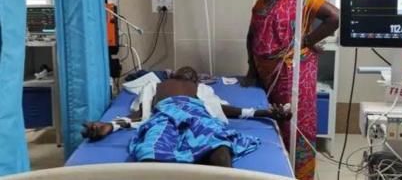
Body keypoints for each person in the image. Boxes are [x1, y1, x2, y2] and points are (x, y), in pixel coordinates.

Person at [241, 0, 339, 180]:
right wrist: (252, 69)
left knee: (296, 126)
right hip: (267, 75)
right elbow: (251, 36)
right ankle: (277, 171)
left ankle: (300, 175)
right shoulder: (261, 3)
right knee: (273, 122)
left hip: (293, 72)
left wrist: (305, 41)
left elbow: (335, 17)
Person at [82, 66, 291, 167]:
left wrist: (264, 112)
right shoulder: (155, 85)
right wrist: (110, 126)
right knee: (152, 145)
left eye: (193, 74)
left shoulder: (199, 88)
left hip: (196, 114)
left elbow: (225, 109)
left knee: (217, 141)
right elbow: (138, 114)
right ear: (172, 74)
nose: (190, 74)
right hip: (164, 114)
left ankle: (221, 171)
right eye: (186, 71)